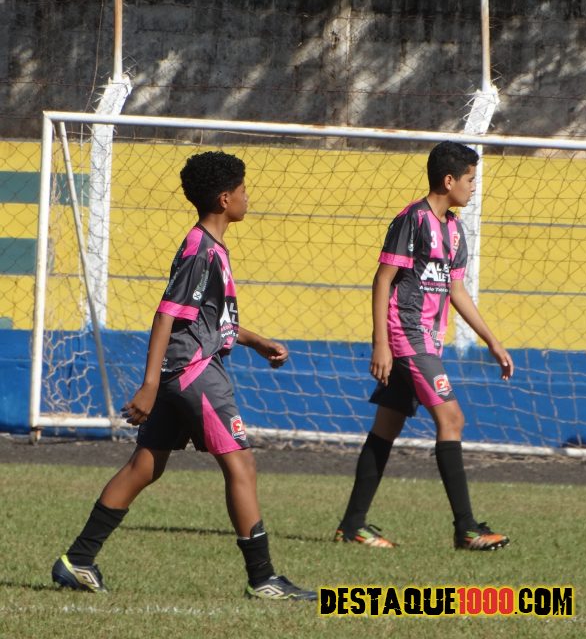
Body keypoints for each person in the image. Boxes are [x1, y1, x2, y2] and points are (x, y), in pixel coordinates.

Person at [52, 150, 316, 600]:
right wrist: (149, 384)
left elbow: (206, 320)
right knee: (241, 464)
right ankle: (263, 579)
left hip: (181, 373)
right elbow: (166, 316)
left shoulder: (210, 247)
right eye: (244, 190)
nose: (248, 198)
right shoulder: (201, 251)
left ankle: (78, 559)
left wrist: (255, 340)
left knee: (145, 465)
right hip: (193, 374)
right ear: (225, 198)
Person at [334, 141, 514, 551]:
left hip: (427, 342)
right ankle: (467, 529)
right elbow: (383, 280)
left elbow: (457, 291)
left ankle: (352, 525)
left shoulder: (454, 230)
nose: (473, 187)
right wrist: (381, 343)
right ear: (448, 180)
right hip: (406, 337)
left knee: (387, 426)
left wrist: (492, 341)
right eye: (470, 179)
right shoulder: (411, 220)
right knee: (452, 419)